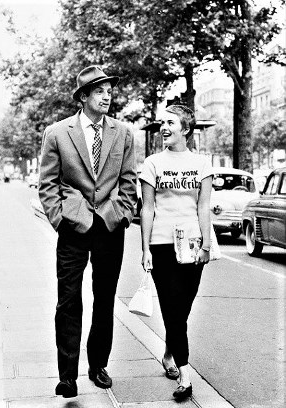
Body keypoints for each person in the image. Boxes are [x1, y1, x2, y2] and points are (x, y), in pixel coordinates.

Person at [39, 65, 137, 398]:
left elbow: (128, 180)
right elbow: (48, 183)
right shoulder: (57, 133)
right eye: (100, 91)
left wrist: (121, 214)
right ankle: (67, 375)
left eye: (110, 90)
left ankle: (98, 366)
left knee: (105, 299)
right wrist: (59, 218)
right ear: (83, 97)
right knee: (68, 301)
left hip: (109, 226)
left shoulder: (123, 133)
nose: (108, 95)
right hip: (73, 226)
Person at [139, 104, 213, 402]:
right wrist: (144, 248)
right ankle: (184, 374)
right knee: (172, 307)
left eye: (170, 123)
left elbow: (203, 206)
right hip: (160, 243)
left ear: (186, 129)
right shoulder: (152, 163)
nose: (164, 128)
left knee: (182, 307)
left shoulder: (202, 164)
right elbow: (147, 208)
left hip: (192, 244)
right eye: (162, 123)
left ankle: (169, 353)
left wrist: (207, 245)